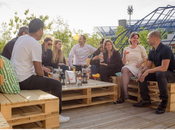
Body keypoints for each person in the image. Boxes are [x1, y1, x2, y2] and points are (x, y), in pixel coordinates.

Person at [11, 18, 70, 123]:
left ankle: (44, 106)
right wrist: (46, 77)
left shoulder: (21, 39)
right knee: (56, 84)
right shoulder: (35, 44)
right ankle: (57, 114)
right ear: (40, 30)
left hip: (14, 78)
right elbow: (39, 71)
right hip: (24, 80)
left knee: (45, 81)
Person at [133, 31, 175, 114]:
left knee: (159, 73)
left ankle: (164, 102)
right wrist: (141, 72)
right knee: (142, 75)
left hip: (171, 74)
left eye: (148, 38)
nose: (147, 40)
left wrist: (148, 71)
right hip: (159, 73)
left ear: (153, 38)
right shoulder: (152, 51)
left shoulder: (165, 49)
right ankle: (145, 99)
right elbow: (148, 66)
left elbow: (164, 67)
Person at [116, 32, 147, 103]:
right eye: (134, 38)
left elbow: (145, 58)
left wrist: (140, 62)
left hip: (137, 67)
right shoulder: (126, 48)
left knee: (122, 76)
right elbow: (124, 62)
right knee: (125, 69)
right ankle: (126, 94)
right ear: (130, 39)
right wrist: (124, 55)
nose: (135, 39)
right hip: (128, 66)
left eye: (137, 38)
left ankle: (122, 96)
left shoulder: (141, 48)